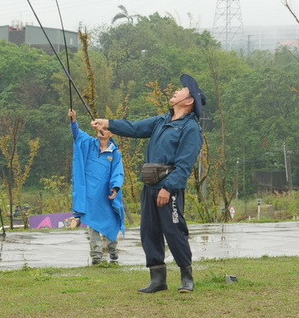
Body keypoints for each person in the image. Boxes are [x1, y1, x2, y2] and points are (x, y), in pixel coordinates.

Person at [92, 73, 206, 294]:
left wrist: (168, 188)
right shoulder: (161, 121)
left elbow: (184, 165)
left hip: (169, 189)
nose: (176, 90)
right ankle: (158, 279)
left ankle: (187, 277)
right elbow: (134, 128)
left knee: (174, 232)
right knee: (149, 232)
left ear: (189, 101)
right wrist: (108, 124)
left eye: (182, 90)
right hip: (150, 185)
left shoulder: (191, 129)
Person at [70, 108, 126, 265]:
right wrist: (74, 121)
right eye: (100, 128)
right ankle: (96, 256)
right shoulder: (89, 144)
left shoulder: (115, 154)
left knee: (111, 221)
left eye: (106, 129)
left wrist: (116, 188)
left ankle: (112, 250)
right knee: (93, 224)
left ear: (111, 134)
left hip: (107, 195)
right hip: (90, 195)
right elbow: (78, 135)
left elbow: (118, 173)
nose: (101, 131)